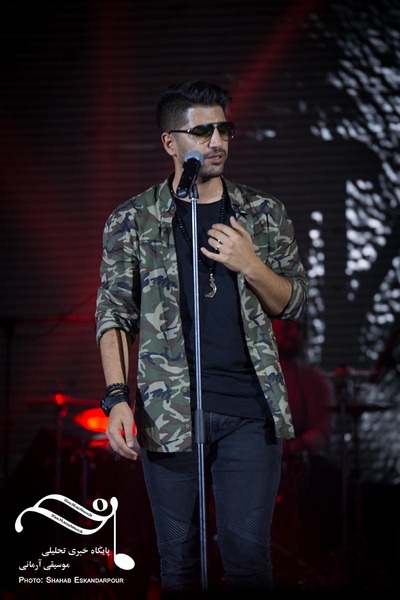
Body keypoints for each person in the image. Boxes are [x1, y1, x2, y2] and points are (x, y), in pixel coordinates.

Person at [95, 80, 308, 596]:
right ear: (170, 143)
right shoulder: (133, 219)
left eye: (224, 129)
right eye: (203, 131)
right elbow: (114, 314)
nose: (217, 141)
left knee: (248, 563)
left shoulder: (263, 213)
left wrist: (250, 264)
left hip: (249, 412)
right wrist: (117, 398)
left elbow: (293, 301)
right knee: (179, 566)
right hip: (168, 415)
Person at [270, 318, 339, 586]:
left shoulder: (314, 379)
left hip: (296, 473)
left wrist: (290, 449)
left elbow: (322, 432)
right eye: (286, 325)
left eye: (298, 327)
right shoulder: (249, 375)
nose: (293, 333)